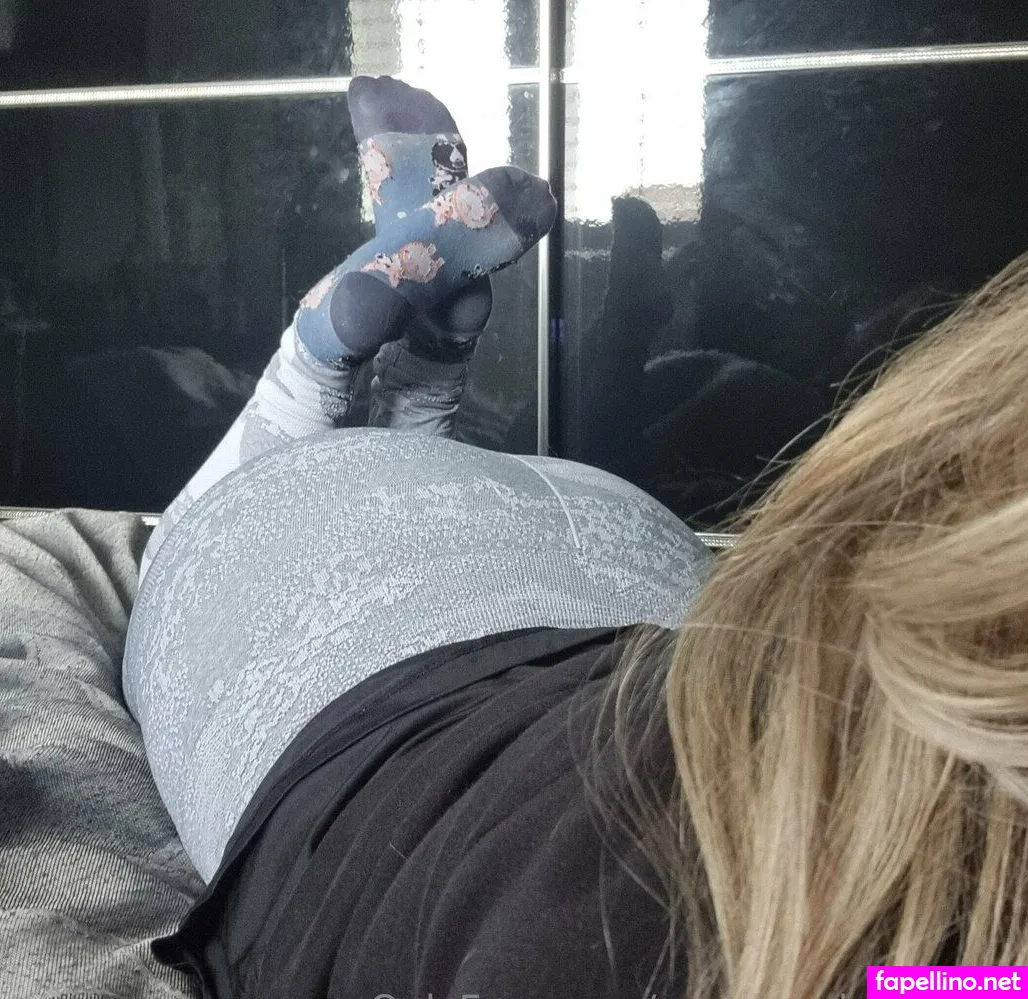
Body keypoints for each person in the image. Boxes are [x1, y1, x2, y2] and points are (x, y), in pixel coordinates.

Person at [123, 76, 1028, 999]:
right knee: (186, 555)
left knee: (242, 524)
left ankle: (373, 354)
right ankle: (359, 359)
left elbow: (938, 982)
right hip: (438, 622)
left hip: (616, 590)